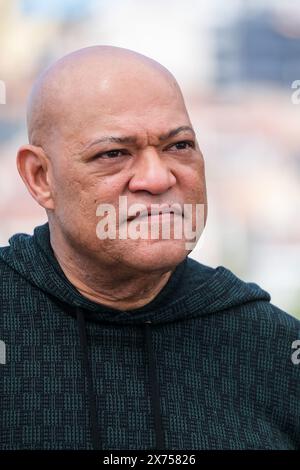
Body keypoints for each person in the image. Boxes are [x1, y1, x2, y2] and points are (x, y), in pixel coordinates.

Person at [0, 45, 299, 450]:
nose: (157, 179)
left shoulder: (276, 347)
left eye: (179, 146)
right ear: (40, 177)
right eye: (113, 154)